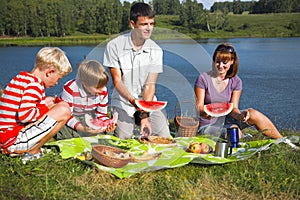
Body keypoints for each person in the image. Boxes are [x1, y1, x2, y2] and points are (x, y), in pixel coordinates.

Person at [103, 2, 170, 139]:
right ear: (132, 24)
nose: (149, 28)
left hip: (147, 101)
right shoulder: (114, 46)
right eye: (144, 24)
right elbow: (117, 80)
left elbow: (150, 85)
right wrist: (133, 101)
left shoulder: (156, 50)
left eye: (151, 24)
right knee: (124, 138)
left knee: (164, 137)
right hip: (122, 101)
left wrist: (144, 114)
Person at [194, 43, 283, 139]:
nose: (220, 66)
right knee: (234, 133)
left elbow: (233, 108)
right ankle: (242, 136)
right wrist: (206, 112)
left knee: (253, 113)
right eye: (217, 61)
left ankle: (282, 140)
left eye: (225, 62)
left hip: (228, 120)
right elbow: (199, 106)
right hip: (208, 125)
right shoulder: (203, 78)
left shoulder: (236, 81)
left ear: (232, 62)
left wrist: (240, 115)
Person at [0, 47, 72, 161]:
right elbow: (25, 116)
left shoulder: (20, 78)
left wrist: (44, 104)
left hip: (5, 137)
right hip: (12, 142)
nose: (57, 82)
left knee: (56, 107)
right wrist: (45, 107)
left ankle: (33, 148)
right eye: (58, 78)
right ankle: (33, 151)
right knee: (64, 110)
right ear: (49, 72)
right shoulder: (35, 85)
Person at [55, 60, 116, 140]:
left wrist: (106, 125)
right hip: (69, 114)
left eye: (103, 86)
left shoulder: (103, 91)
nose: (102, 90)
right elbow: (67, 115)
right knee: (64, 131)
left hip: (86, 114)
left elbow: (102, 114)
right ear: (85, 83)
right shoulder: (70, 88)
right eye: (97, 87)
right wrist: (82, 128)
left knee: (105, 132)